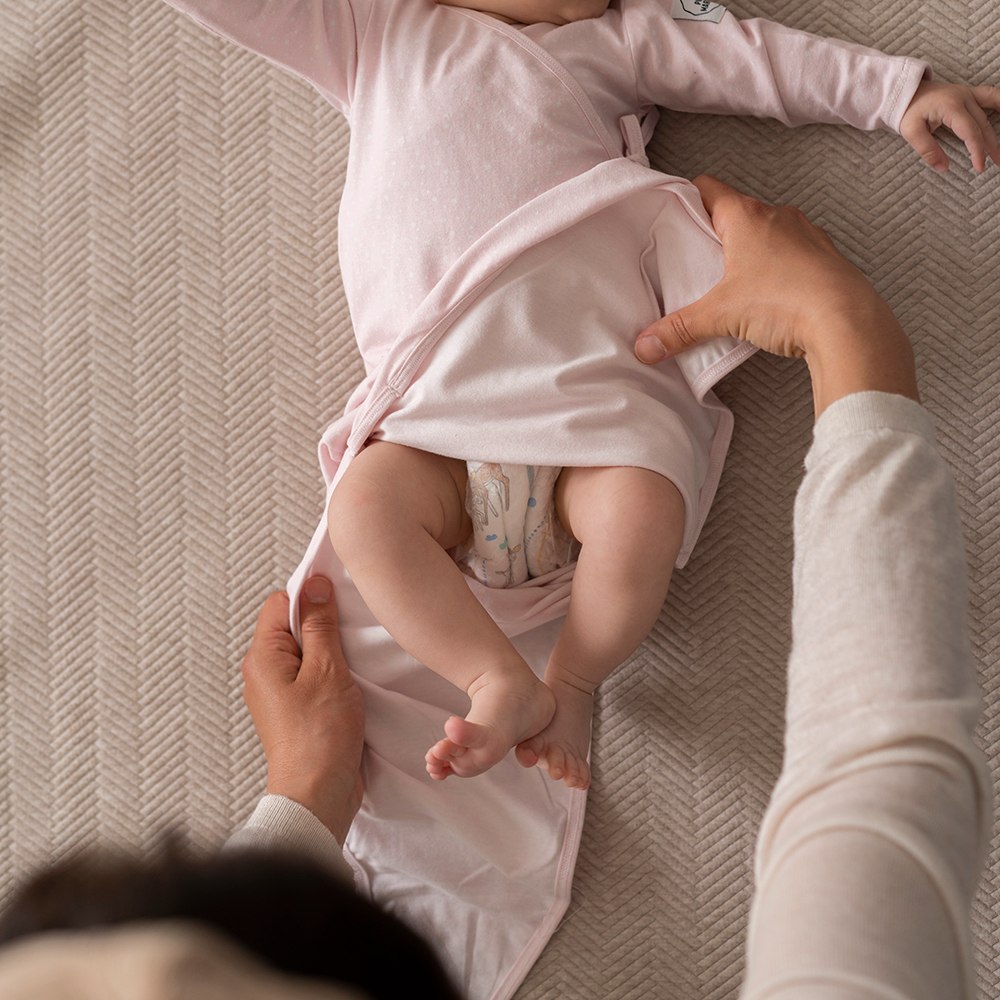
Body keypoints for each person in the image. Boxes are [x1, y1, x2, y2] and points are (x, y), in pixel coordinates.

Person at [0, 174, 990, 999]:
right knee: (382, 509)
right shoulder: (408, 48)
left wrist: (306, 798)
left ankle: (537, 676)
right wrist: (844, 328)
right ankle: (570, 673)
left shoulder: (600, 54)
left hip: (528, 460)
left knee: (603, 512)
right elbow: (872, 790)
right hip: (486, 466)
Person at [165, 0, 998, 792]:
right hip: (437, 425)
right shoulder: (375, 31)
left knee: (641, 507)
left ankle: (572, 677)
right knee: (365, 512)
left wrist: (898, 91)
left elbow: (758, 57)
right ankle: (494, 673)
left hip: (592, 419)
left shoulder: (628, 36)